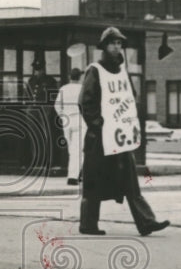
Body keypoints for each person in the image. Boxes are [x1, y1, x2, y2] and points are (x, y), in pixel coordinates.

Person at [78, 27, 170, 236]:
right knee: (93, 181)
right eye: (112, 43)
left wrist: (128, 121)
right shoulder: (95, 70)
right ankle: (88, 224)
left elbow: (130, 97)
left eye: (119, 43)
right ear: (104, 47)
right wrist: (98, 124)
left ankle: (146, 222)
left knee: (130, 180)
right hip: (99, 138)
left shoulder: (122, 72)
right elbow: (85, 101)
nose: (116, 47)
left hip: (119, 137)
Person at [54, 67, 84, 186]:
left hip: (67, 120)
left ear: (70, 77)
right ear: (80, 77)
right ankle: (73, 176)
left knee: (72, 149)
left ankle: (78, 173)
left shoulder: (63, 88)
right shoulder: (82, 88)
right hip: (79, 119)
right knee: (79, 149)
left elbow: (57, 105)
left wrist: (62, 116)